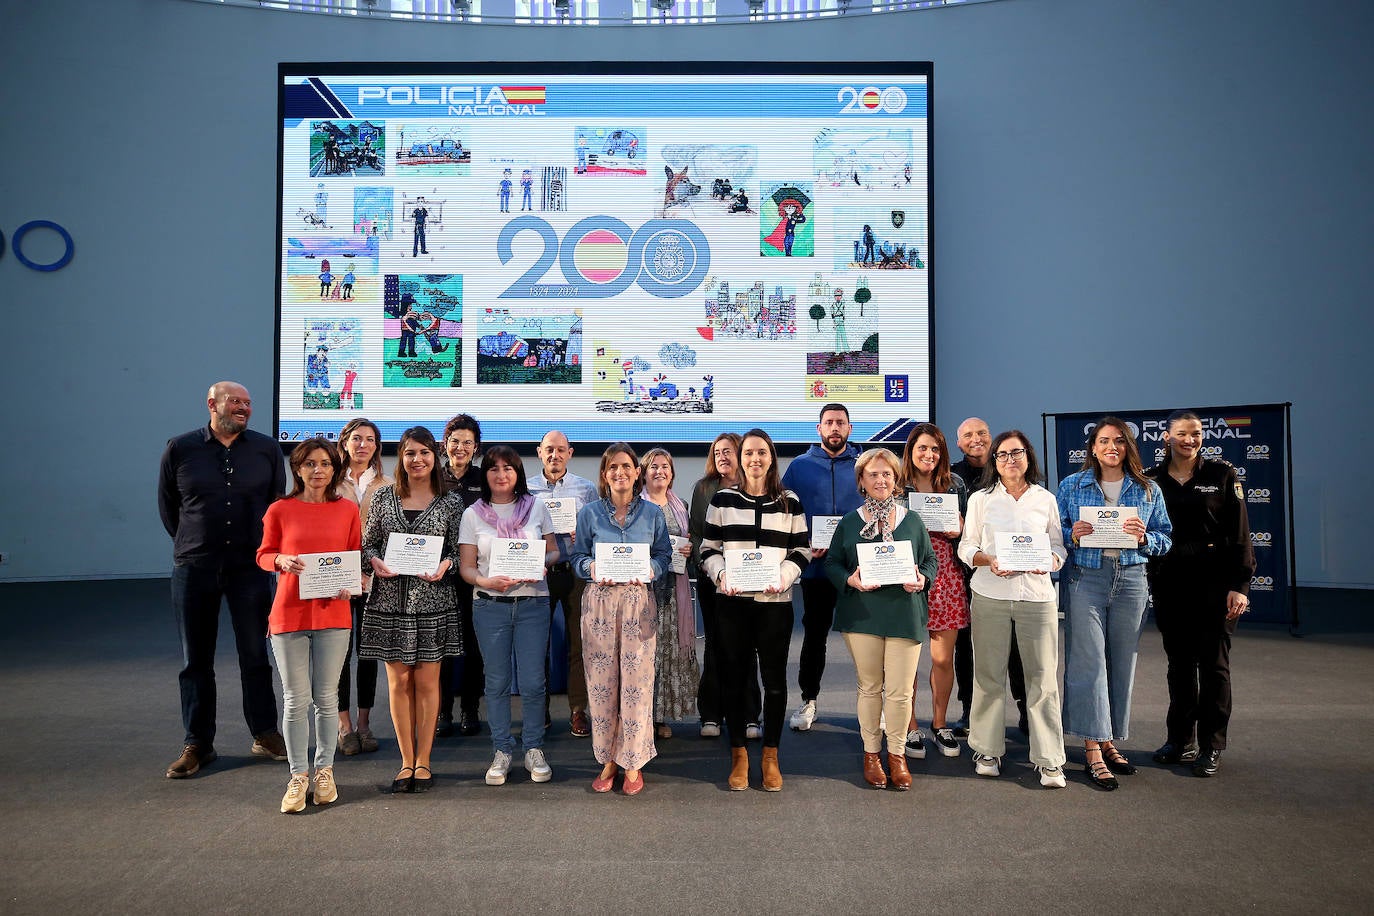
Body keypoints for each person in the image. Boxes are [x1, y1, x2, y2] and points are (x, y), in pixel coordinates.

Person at [157, 381, 287, 778]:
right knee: (195, 660)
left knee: (255, 655)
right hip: (195, 567)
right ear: (212, 404)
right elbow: (170, 509)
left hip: (250, 567)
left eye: (248, 402)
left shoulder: (266, 449)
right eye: (236, 402)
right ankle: (198, 743)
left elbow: (275, 506)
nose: (244, 408)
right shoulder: (179, 448)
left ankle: (264, 732)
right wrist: (196, 541)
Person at [1057, 417, 1173, 790]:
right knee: (1088, 661)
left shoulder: (1148, 489)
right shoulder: (1071, 485)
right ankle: (1091, 748)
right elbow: (1053, 533)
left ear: (1128, 448)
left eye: (1119, 441)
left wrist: (1145, 539)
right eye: (1104, 441)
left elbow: (1165, 537)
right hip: (1085, 579)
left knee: (1122, 662)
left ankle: (1108, 739)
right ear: (1092, 447)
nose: (1111, 447)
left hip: (1132, 581)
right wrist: (1069, 534)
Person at [1146, 410, 1255, 778]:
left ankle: (1212, 745)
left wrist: (1240, 586)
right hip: (1170, 584)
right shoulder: (1151, 479)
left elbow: (1241, 535)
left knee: (1214, 668)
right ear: (1167, 436)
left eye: (1195, 434)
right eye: (1182, 433)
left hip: (1215, 586)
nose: (1189, 440)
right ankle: (1180, 740)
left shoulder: (1222, 475)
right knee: (1179, 668)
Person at [956, 430, 1068, 789]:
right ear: (994, 462)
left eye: (1016, 453)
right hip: (990, 594)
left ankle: (1049, 760)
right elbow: (966, 547)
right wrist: (988, 560)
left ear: (1028, 456)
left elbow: (1059, 549)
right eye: (1002, 455)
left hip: (1037, 597)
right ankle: (987, 749)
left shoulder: (1045, 499)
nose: (1009, 460)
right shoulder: (981, 500)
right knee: (988, 676)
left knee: (1042, 679)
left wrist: (1049, 561)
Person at [700, 429, 810, 791]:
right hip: (732, 604)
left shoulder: (790, 501)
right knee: (733, 679)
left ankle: (771, 755)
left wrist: (785, 575)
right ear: (741, 457)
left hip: (774, 606)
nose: (755, 459)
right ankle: (739, 755)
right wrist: (721, 574)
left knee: (775, 683)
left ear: (771, 458)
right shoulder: (723, 499)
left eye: (762, 453)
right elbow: (708, 549)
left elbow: (801, 550)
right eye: (748, 453)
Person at [256, 438, 361, 812]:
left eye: (326, 464)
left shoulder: (348, 510)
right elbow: (263, 554)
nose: (318, 470)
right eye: (310, 464)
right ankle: (298, 775)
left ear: (335, 470)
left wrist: (355, 582)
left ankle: (325, 771)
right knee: (295, 700)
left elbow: (354, 556)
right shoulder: (280, 510)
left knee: (327, 698)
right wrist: (280, 560)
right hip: (289, 613)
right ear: (297, 468)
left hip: (334, 612)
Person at [359, 426, 464, 794]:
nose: (417, 459)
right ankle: (406, 761)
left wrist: (445, 566)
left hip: (433, 602)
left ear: (435, 457)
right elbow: (366, 544)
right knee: (399, 681)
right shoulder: (383, 497)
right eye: (409, 453)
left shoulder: (451, 501)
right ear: (400, 458)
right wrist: (374, 560)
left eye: (424, 452)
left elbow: (457, 550)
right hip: (389, 602)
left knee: (426, 682)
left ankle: (425, 762)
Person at [825, 448, 937, 790]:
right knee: (871, 688)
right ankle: (872, 753)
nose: (881, 480)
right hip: (863, 616)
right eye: (873, 474)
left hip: (905, 615)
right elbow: (831, 564)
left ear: (896, 479)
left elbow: (930, 562)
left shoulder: (912, 520)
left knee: (901, 692)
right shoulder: (849, 522)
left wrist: (922, 580)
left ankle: (897, 755)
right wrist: (850, 579)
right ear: (861, 480)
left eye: (887, 473)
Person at [571, 444, 672, 796]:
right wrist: (591, 567)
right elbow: (577, 556)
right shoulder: (589, 514)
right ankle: (608, 759)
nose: (620, 472)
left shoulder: (653, 514)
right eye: (613, 467)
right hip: (599, 606)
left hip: (637, 606)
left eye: (627, 466)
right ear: (604, 473)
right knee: (602, 687)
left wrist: (651, 569)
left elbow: (663, 554)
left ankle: (632, 760)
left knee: (635, 687)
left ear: (636, 472)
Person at [458, 446, 559, 787]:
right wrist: (486, 580)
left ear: (518, 473)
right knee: (497, 683)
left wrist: (538, 565)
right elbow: (467, 568)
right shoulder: (472, 514)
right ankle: (502, 750)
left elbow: (555, 550)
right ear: (485, 474)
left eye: (509, 468)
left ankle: (533, 748)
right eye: (493, 468)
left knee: (532, 683)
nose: (501, 474)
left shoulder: (537, 508)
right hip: (490, 606)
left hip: (533, 605)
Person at [781, 403, 862, 732]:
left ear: (849, 428)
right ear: (818, 428)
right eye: (828, 422)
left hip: (857, 571)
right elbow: (784, 513)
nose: (834, 428)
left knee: (864, 638)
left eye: (840, 423)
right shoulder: (799, 467)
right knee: (815, 637)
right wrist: (800, 545)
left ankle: (872, 704)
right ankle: (808, 700)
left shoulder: (863, 465)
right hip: (816, 570)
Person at [950, 416, 1027, 738]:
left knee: (1017, 645)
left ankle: (1025, 707)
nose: (975, 439)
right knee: (968, 647)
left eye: (981, 433)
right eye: (968, 435)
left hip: (1013, 572)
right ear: (959, 443)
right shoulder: (951, 478)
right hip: (965, 571)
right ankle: (970, 709)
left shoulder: (1010, 473)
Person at [900, 422, 969, 759]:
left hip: (946, 575)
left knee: (943, 658)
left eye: (935, 449)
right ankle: (909, 726)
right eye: (922, 448)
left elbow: (970, 535)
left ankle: (939, 723)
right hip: (906, 576)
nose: (929, 454)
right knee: (907, 660)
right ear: (911, 451)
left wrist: (960, 530)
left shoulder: (954, 484)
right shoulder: (897, 486)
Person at [689, 432, 762, 739]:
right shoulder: (704, 488)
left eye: (728, 451)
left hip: (749, 581)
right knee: (716, 645)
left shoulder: (754, 488)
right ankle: (711, 715)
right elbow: (696, 534)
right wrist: (712, 569)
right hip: (713, 580)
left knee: (747, 646)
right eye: (717, 452)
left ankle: (749, 717)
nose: (722, 457)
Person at [528, 430, 600, 737]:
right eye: (549, 450)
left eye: (560, 450)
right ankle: (539, 710)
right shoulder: (527, 488)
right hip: (539, 574)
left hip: (575, 575)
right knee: (537, 646)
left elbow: (599, 531)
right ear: (539, 452)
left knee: (578, 646)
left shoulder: (586, 489)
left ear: (570, 452)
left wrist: (581, 535)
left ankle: (577, 711)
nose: (554, 455)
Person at [335, 417, 391, 756]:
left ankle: (365, 723)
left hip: (374, 577)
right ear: (344, 442)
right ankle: (344, 726)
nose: (363, 445)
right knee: (339, 653)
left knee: (368, 652)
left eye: (370, 439)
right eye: (357, 438)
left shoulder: (387, 484)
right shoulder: (328, 480)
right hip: (336, 579)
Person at [640, 448, 702, 739]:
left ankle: (660, 716)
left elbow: (685, 544)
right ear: (643, 472)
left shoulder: (682, 506)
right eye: (653, 466)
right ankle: (641, 716)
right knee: (644, 655)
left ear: (672, 473)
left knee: (668, 653)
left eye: (665, 466)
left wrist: (688, 551)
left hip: (673, 592)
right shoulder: (635, 505)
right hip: (643, 592)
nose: (660, 471)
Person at [437, 414, 485, 739]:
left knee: (472, 644)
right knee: (440, 645)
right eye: (455, 441)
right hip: (438, 575)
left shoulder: (484, 479)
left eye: (468, 442)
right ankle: (442, 711)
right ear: (445, 444)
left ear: (476, 447)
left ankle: (470, 708)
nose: (461, 447)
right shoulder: (432, 478)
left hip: (473, 573)